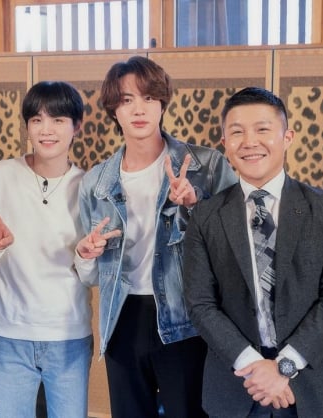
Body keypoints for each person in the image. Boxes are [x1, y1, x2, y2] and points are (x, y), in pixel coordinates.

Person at [183, 87, 323, 418]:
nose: (250, 142)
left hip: (315, 382)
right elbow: (200, 304)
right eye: (237, 132)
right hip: (238, 385)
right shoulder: (205, 216)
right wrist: (255, 366)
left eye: (262, 129)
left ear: (287, 137)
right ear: (225, 143)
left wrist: (284, 366)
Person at [74, 56, 237, 418]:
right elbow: (91, 275)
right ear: (113, 110)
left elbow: (235, 249)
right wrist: (85, 254)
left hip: (187, 317)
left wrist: (195, 206)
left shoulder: (206, 166)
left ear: (162, 104)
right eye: (127, 100)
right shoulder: (96, 182)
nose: (139, 109)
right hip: (122, 317)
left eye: (149, 98)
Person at [0, 81, 102, 418]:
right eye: (37, 120)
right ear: (27, 126)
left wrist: (85, 257)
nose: (46, 130)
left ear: (77, 126)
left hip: (68, 336)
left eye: (58, 120)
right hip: (9, 335)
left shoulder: (89, 187)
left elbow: (92, 277)